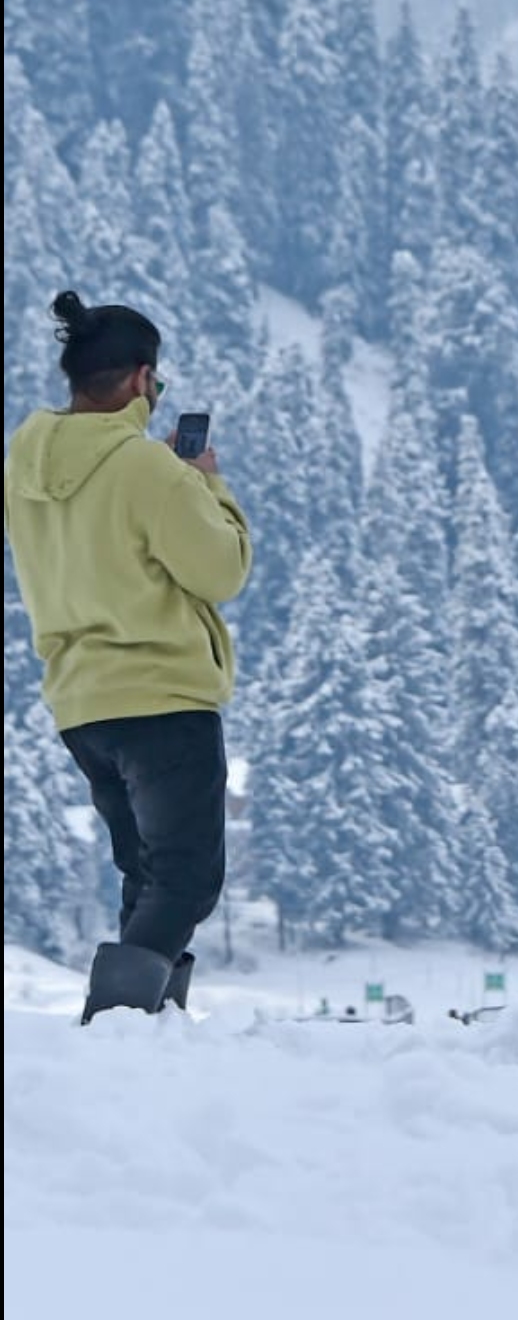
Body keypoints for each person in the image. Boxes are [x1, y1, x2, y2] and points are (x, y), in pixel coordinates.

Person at [3, 290, 252, 1023]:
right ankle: (116, 1023)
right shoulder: (151, 471)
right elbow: (223, 570)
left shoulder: (22, 462)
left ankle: (148, 1034)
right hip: (162, 694)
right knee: (186, 879)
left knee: (144, 871)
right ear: (144, 380)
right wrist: (208, 482)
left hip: (82, 703)